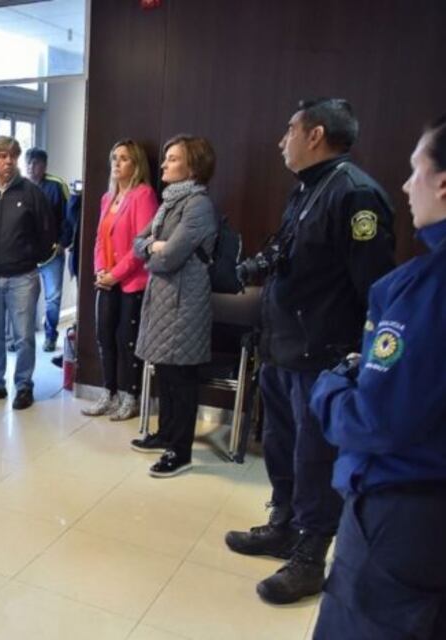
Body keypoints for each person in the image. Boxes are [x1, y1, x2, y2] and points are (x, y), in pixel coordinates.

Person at [225, 99, 396, 605]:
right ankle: (283, 524)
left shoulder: (356, 195)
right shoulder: (310, 189)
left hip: (320, 353)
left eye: (290, 130)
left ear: (315, 134)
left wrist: (355, 360)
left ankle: (309, 557)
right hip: (282, 345)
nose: (283, 140)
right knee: (281, 444)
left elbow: (374, 287)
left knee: (314, 457)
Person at [309, 116, 446, 639]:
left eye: (416, 170)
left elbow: (377, 419)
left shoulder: (422, 288)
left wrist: (330, 388)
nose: (407, 186)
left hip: (404, 510)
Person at [131, 134, 219, 478]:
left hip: (185, 303)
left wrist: (154, 250)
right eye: (166, 158)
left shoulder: (198, 205)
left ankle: (180, 451)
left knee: (181, 378)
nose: (164, 164)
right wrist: (154, 246)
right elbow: (140, 244)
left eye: (173, 159)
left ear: (193, 166)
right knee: (165, 371)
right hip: (164, 299)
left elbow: (168, 257)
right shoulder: (169, 201)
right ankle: (166, 433)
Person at [0, 136, 57, 410]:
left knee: (24, 336)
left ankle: (23, 386)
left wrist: (31, 257)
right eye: (2, 156)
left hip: (22, 278)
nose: (8, 161)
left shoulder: (31, 192)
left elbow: (47, 230)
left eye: (12, 156)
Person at [81, 140, 158, 420]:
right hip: (107, 281)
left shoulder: (144, 195)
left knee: (127, 341)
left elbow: (141, 245)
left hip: (131, 283)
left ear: (136, 164)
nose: (116, 163)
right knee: (104, 337)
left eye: (123, 158)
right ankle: (109, 393)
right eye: (114, 157)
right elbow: (100, 240)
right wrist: (101, 271)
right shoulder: (108, 197)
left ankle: (130, 396)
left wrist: (115, 275)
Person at [25, 147, 72, 352]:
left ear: (44, 166)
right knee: (24, 299)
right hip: (25, 254)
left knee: (52, 298)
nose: (31, 167)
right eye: (28, 163)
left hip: (52, 252)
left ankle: (50, 335)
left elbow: (70, 217)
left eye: (35, 164)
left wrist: (64, 242)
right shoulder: (21, 186)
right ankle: (21, 338)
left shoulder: (56, 185)